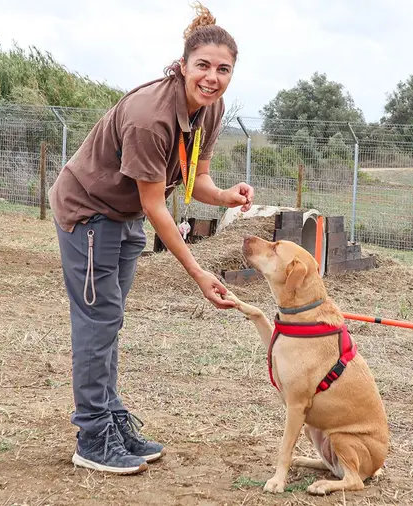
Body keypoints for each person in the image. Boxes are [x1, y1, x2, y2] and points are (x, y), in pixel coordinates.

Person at [47, 2, 253, 475]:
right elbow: (157, 205)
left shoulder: (210, 108)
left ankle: (112, 418)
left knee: (110, 319)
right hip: (90, 213)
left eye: (223, 69)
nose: (212, 77)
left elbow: (196, 179)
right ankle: (93, 436)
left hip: (124, 215)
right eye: (202, 66)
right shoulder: (149, 118)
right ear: (183, 66)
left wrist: (225, 197)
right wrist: (200, 274)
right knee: (98, 321)